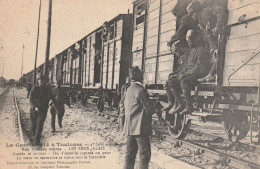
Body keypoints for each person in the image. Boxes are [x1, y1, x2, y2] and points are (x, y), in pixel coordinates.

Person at [167, 30, 210, 115]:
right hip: (190, 74)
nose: (189, 43)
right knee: (172, 82)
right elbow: (186, 66)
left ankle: (189, 106)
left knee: (184, 81)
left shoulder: (200, 50)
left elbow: (199, 66)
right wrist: (179, 74)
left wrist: (186, 74)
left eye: (190, 40)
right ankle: (180, 104)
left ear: (195, 39)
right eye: (188, 41)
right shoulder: (190, 51)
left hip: (199, 74)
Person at [123, 66, 155, 169]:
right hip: (140, 128)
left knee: (130, 154)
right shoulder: (141, 90)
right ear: (140, 77)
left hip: (129, 128)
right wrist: (156, 105)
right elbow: (150, 110)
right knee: (144, 155)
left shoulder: (128, 89)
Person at [29, 74, 55, 145]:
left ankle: (36, 142)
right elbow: (31, 99)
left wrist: (51, 101)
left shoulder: (48, 89)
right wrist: (34, 107)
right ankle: (35, 137)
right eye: (40, 80)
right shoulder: (34, 88)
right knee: (33, 126)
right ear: (38, 81)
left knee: (39, 125)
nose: (42, 81)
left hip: (43, 110)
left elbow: (52, 97)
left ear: (45, 81)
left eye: (43, 80)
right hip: (33, 110)